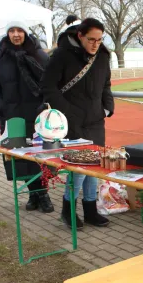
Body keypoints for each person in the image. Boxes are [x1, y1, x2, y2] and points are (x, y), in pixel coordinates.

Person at [42, 18, 114, 229]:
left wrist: (107, 108)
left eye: (99, 40)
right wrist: (68, 112)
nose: (95, 44)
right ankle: (68, 210)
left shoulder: (102, 56)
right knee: (80, 168)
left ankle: (90, 209)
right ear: (80, 36)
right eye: (91, 39)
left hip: (95, 120)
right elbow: (48, 86)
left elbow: (106, 84)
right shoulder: (62, 55)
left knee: (94, 166)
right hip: (72, 122)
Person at [0, 21, 54, 213]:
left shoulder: (39, 56)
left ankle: (43, 193)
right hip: (12, 116)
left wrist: (45, 104)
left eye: (20, 31)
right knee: (21, 158)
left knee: (40, 156)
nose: (16, 34)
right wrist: (1, 108)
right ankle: (33, 193)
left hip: (37, 116)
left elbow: (51, 82)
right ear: (7, 34)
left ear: (25, 32)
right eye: (12, 31)